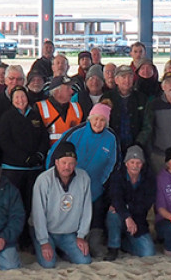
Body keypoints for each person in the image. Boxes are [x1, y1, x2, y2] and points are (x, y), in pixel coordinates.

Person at [46, 102, 119, 238]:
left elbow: (112, 163)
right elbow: (54, 155)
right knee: (69, 211)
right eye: (96, 119)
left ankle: (93, 242)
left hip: (94, 186)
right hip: (69, 183)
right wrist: (54, 179)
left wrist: (102, 182)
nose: (98, 123)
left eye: (102, 120)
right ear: (90, 118)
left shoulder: (111, 138)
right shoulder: (76, 133)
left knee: (95, 213)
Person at [0, 85, 50, 247]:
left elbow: (43, 137)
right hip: (13, 169)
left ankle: (27, 238)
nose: (20, 100)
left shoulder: (35, 115)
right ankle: (13, 237)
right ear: (12, 100)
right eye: (17, 98)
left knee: (30, 204)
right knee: (14, 204)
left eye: (23, 96)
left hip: (33, 170)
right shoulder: (6, 117)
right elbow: (4, 142)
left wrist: (39, 155)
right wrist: (24, 158)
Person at [30, 141, 93, 268]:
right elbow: (38, 213)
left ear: (75, 164)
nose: (67, 167)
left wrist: (81, 236)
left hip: (69, 232)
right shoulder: (43, 180)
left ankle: (63, 250)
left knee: (84, 260)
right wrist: (43, 242)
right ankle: (43, 246)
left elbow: (87, 209)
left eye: (71, 163)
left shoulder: (84, 178)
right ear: (57, 162)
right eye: (64, 162)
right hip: (46, 231)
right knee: (48, 263)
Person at [105, 145, 156, 260]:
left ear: (142, 164)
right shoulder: (117, 176)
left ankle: (124, 244)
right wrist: (127, 216)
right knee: (112, 214)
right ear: (126, 163)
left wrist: (126, 207)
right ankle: (113, 248)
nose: (135, 166)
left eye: (138, 162)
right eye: (132, 162)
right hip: (121, 217)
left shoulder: (149, 179)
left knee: (148, 252)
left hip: (139, 220)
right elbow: (115, 198)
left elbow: (146, 204)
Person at [104, 65, 148, 153]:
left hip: (136, 146)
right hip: (112, 146)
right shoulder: (107, 98)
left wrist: (138, 143)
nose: (127, 80)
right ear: (116, 80)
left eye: (130, 77)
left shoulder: (142, 98)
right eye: (123, 77)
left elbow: (147, 125)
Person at [37, 75, 84, 143]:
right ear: (57, 91)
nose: (72, 91)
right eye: (68, 88)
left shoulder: (77, 108)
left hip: (72, 152)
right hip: (49, 152)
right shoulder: (40, 108)